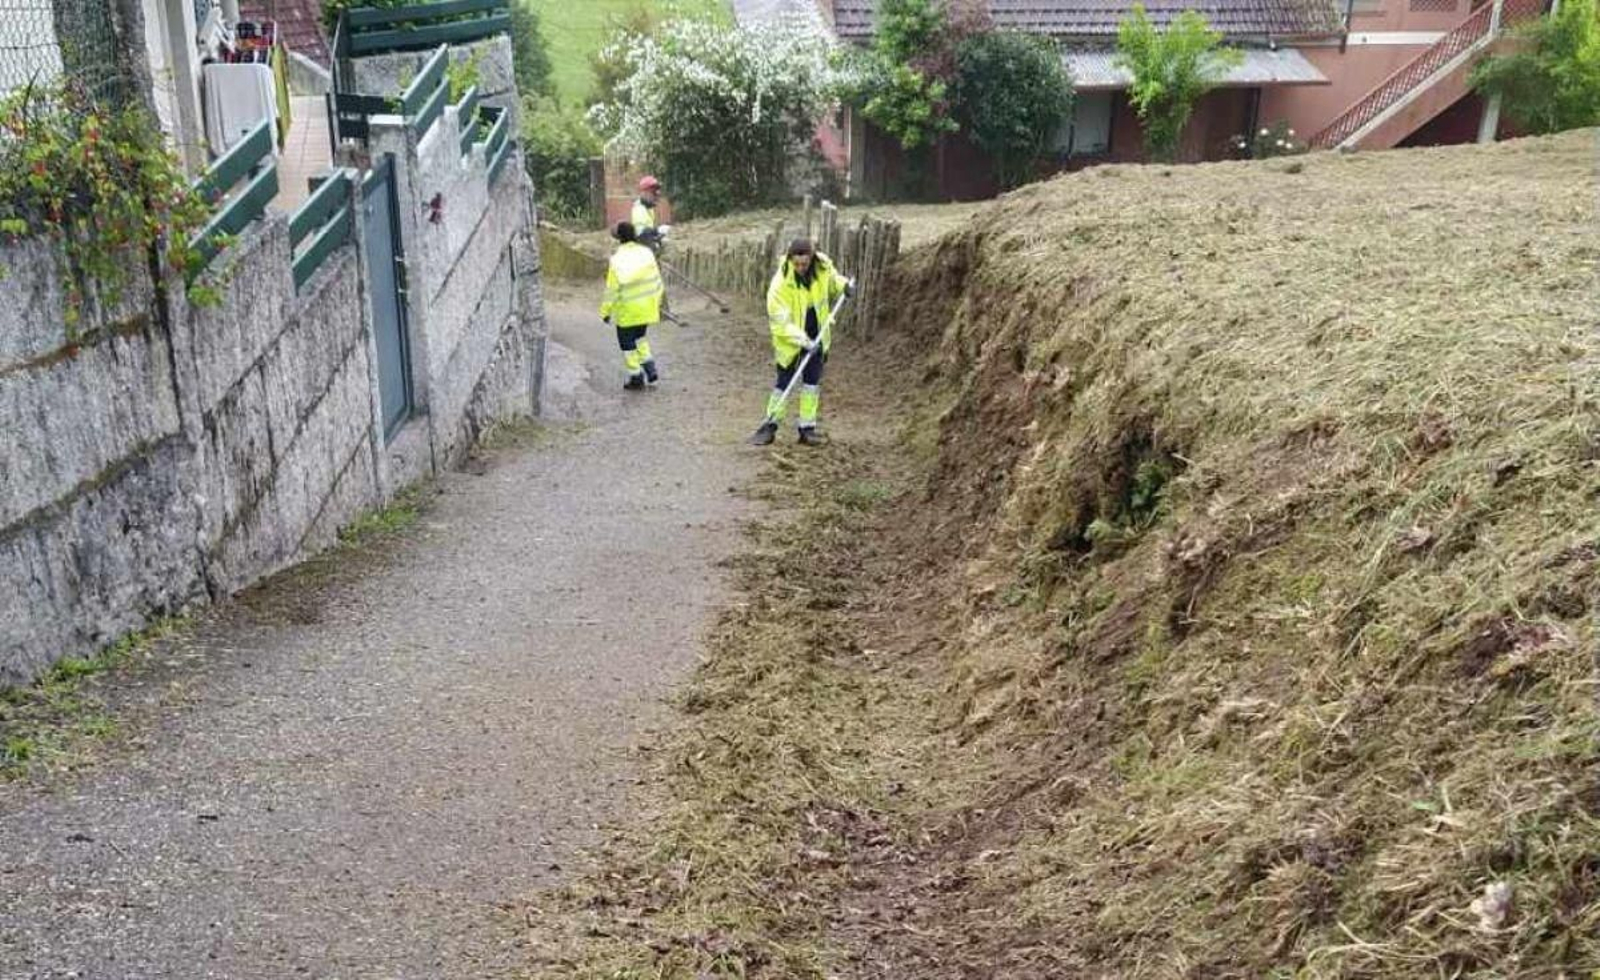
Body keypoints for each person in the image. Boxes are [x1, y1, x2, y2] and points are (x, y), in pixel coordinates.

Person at [752, 239, 851, 446]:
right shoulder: (779, 285)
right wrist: (804, 342)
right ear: (790, 259)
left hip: (818, 335)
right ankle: (770, 426)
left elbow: (833, 283)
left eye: (804, 264)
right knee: (784, 383)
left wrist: (844, 286)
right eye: (796, 264)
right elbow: (780, 324)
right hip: (791, 342)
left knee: (811, 384)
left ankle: (807, 428)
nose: (800, 268)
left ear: (811, 259)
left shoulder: (823, 268)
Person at [599, 221, 664, 390]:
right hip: (646, 309)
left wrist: (605, 312)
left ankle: (636, 376)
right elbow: (657, 280)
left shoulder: (617, 260)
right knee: (640, 338)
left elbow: (612, 289)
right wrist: (656, 301)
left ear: (619, 238)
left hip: (627, 311)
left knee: (627, 344)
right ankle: (650, 368)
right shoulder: (647, 253)